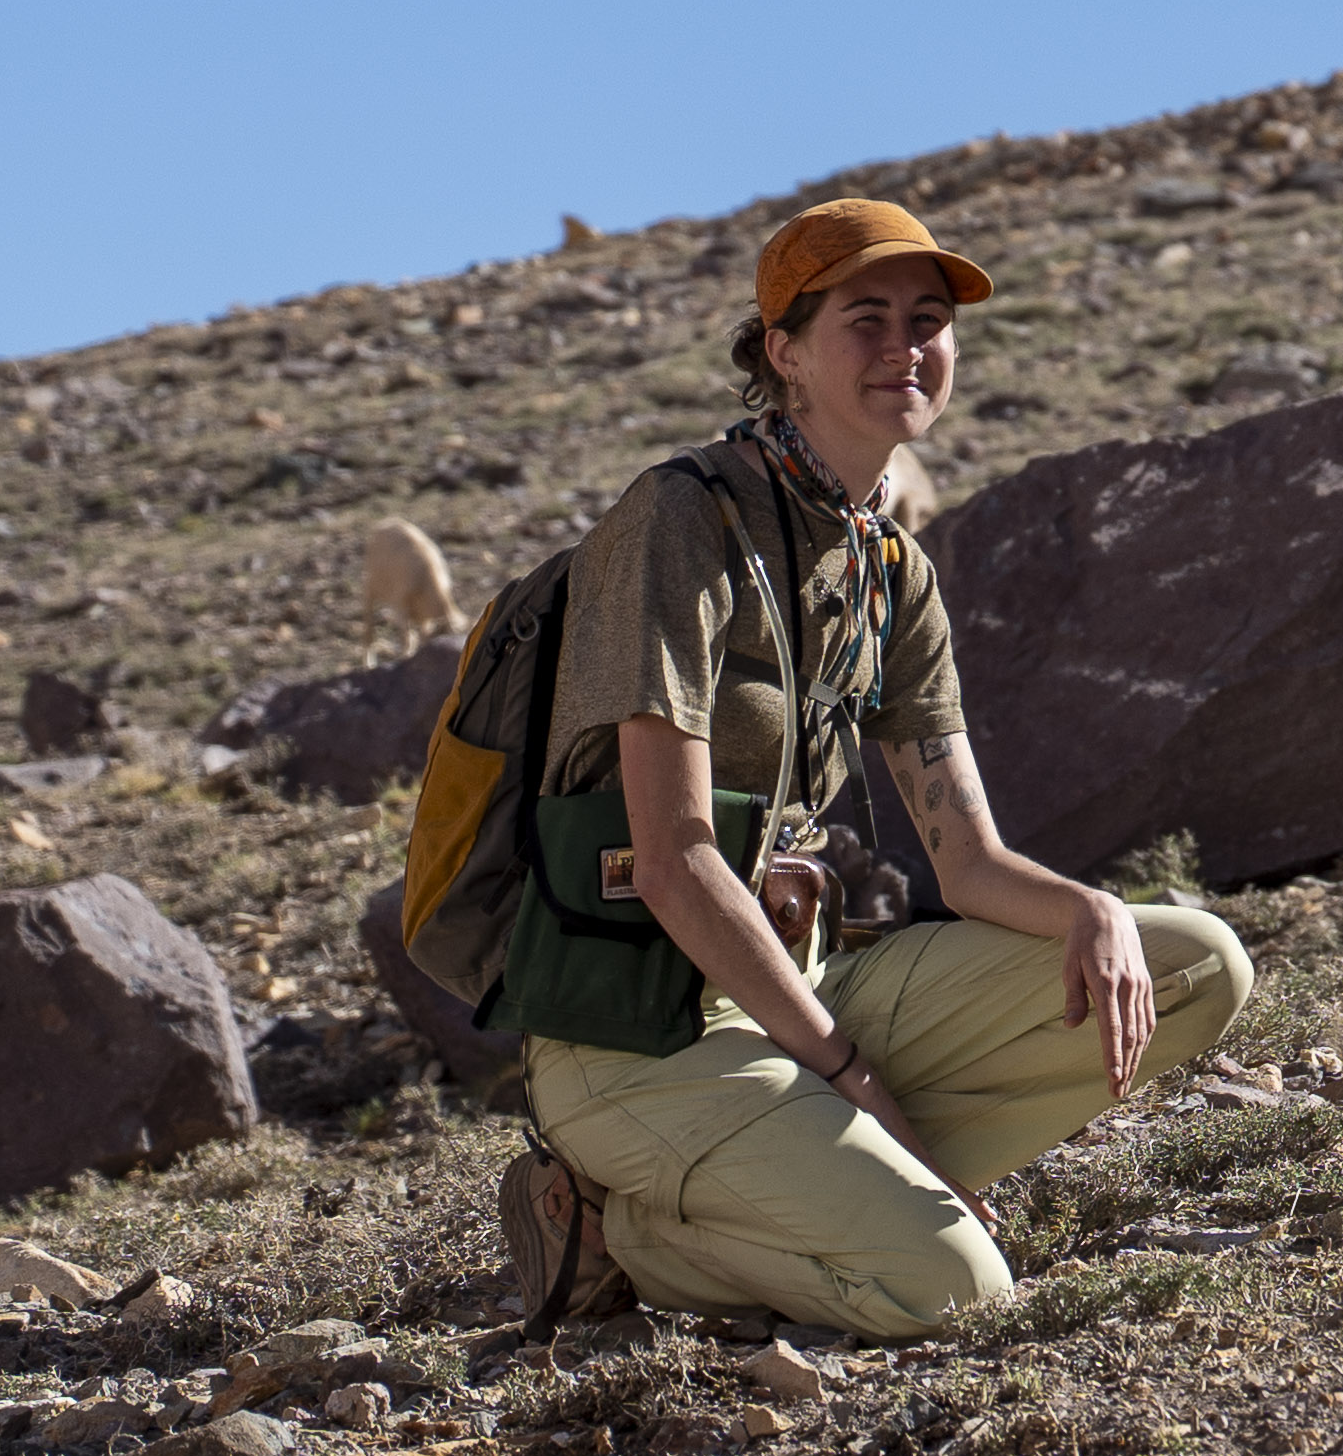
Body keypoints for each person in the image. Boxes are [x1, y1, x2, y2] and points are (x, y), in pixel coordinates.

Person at [485, 196, 1253, 1332]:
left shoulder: (892, 572)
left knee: (1193, 961)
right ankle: (619, 1227)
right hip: (643, 1034)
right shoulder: (680, 522)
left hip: (797, 986)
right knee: (950, 1288)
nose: (906, 345)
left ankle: (829, 1176)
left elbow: (971, 861)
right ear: (783, 351)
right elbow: (674, 862)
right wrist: (856, 1080)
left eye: (929, 318)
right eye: (866, 317)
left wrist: (1091, 908)